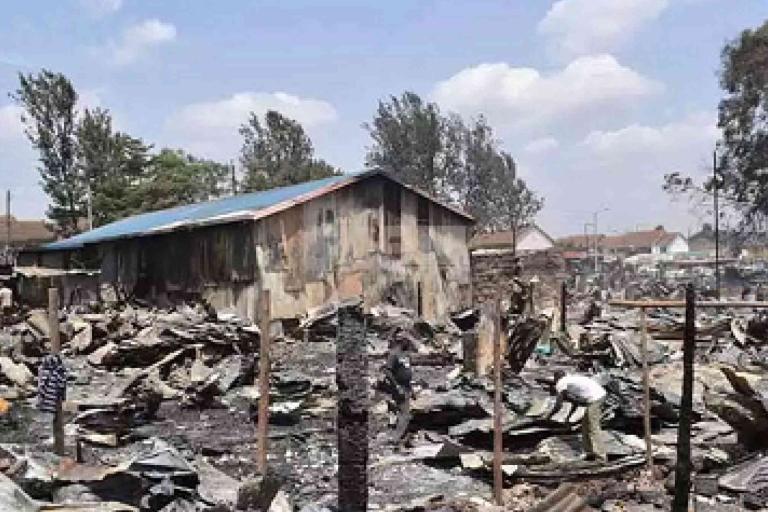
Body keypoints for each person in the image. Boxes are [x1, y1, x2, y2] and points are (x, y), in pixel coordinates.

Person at [553, 369, 607, 462]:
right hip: (598, 395)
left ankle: (601, 457)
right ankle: (589, 453)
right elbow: (575, 402)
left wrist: (548, 416)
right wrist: (568, 417)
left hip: (595, 398)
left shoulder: (561, 383)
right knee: (585, 426)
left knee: (593, 427)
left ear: (556, 378)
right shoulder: (571, 380)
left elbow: (558, 405)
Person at [381, 328, 413, 444]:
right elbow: (387, 371)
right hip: (398, 387)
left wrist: (412, 388)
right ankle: (396, 438)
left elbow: (408, 370)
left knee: (403, 413)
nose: (408, 342)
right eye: (406, 340)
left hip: (406, 387)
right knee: (405, 415)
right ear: (401, 341)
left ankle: (403, 439)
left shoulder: (406, 354)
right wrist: (397, 386)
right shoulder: (393, 354)